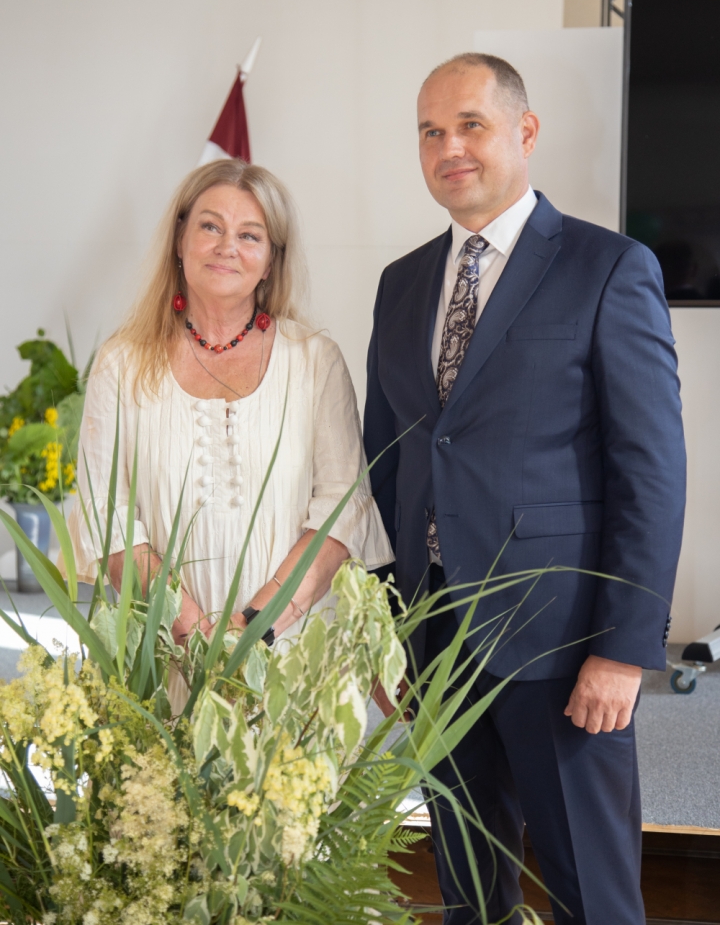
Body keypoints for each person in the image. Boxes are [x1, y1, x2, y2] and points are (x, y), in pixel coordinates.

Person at [364, 53, 686, 925]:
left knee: (595, 900)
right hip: (435, 643)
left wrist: (623, 649)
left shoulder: (608, 267)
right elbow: (386, 466)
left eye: (470, 125)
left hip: (563, 645)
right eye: (431, 132)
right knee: (470, 898)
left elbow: (651, 471)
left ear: (526, 131)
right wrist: (387, 632)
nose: (449, 148)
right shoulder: (400, 284)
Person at [69, 158, 392, 707]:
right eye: (210, 226)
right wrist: (192, 632)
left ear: (270, 261)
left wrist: (256, 627)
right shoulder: (120, 363)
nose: (227, 247)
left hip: (294, 657)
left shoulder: (315, 360)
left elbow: (343, 510)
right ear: (179, 240)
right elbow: (106, 517)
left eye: (250, 235)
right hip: (161, 661)